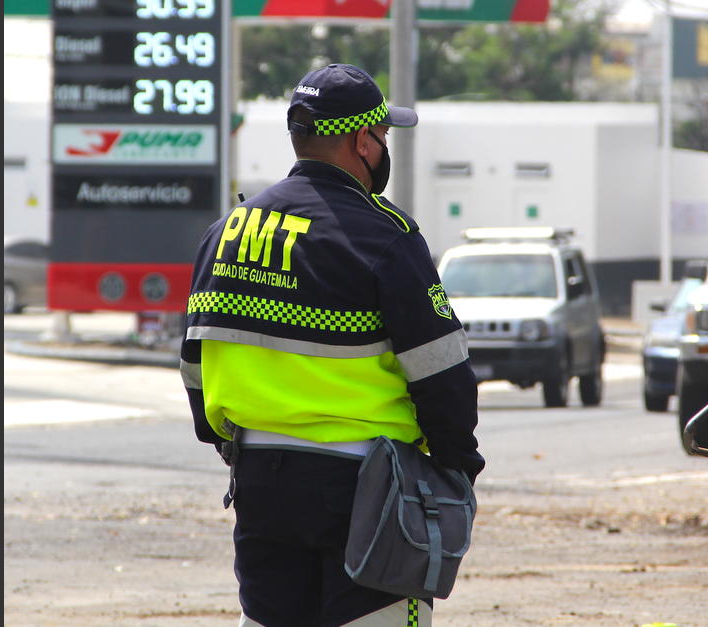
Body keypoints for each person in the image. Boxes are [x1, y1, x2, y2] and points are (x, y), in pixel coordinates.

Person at [180, 63, 485, 627]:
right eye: (384, 136)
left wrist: (229, 442)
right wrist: (456, 467)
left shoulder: (225, 232)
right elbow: (442, 374)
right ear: (361, 140)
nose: (384, 147)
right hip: (367, 488)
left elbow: (195, 363)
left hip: (260, 481)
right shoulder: (384, 235)